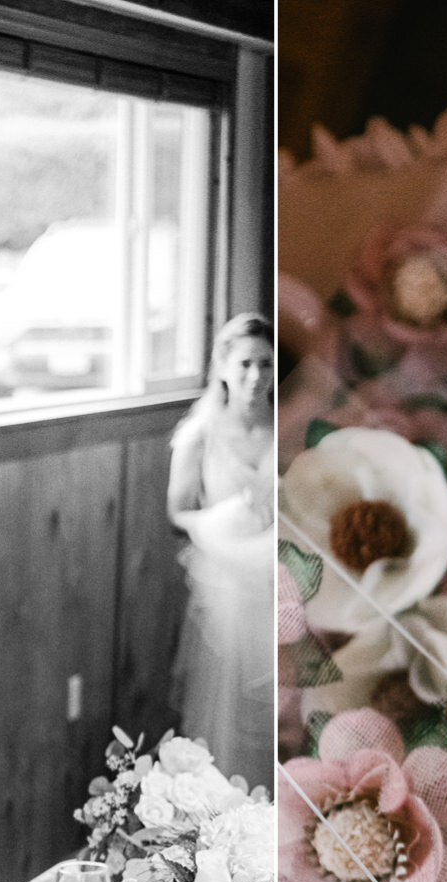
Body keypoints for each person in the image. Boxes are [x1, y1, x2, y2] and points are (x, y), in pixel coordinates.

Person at [169, 312, 277, 786]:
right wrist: (228, 517)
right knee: (229, 698)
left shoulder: (286, 426)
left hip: (278, 575)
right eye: (247, 364)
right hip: (227, 582)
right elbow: (178, 513)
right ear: (224, 368)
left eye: (267, 365)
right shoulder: (200, 435)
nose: (257, 376)